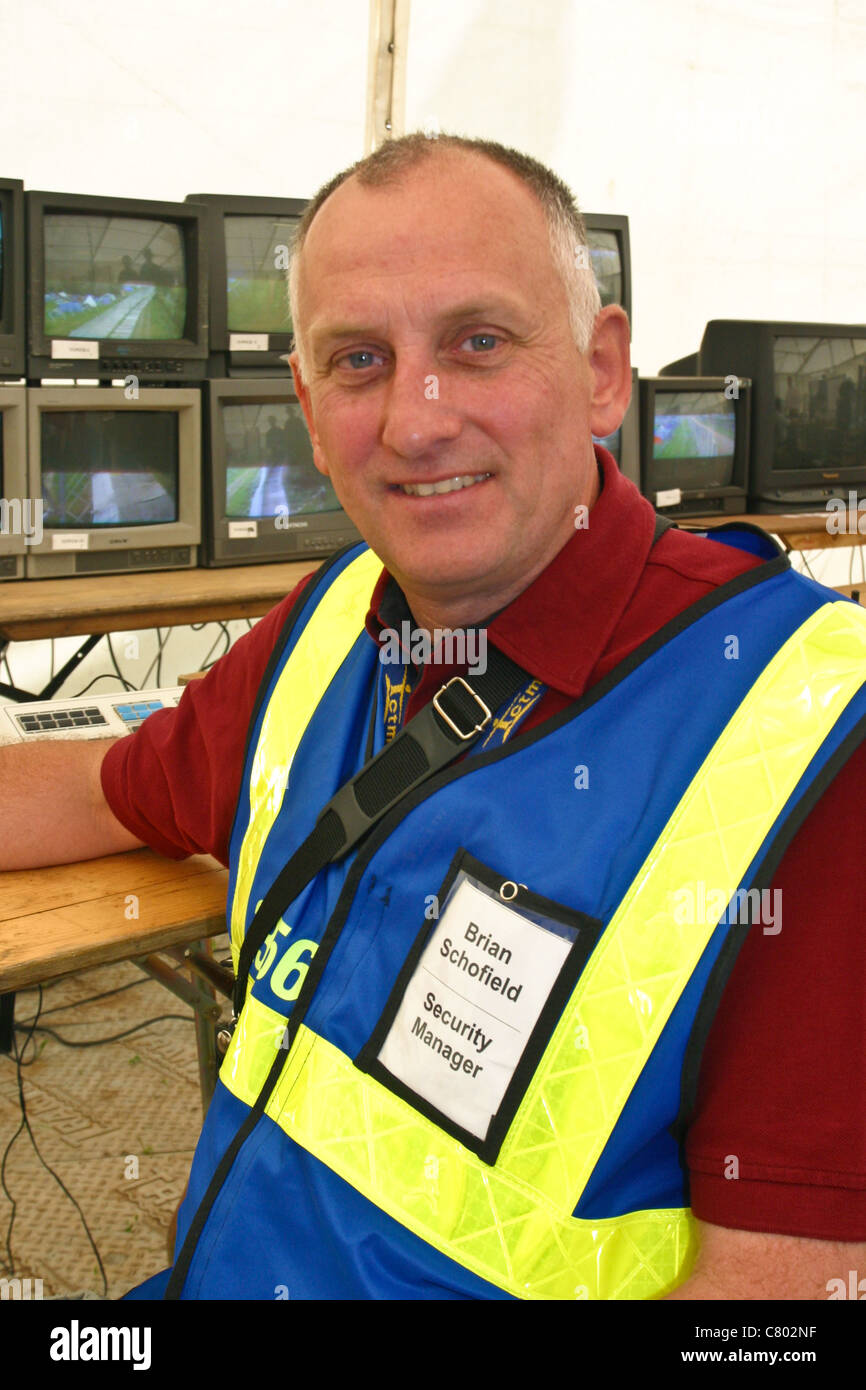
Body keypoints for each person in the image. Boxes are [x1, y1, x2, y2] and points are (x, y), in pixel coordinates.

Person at [2, 134, 865, 1301]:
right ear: (308, 411)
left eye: (477, 342)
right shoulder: (331, 629)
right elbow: (97, 787)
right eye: (359, 360)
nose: (416, 422)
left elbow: (790, 1299)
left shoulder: (810, 738)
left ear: (603, 369)